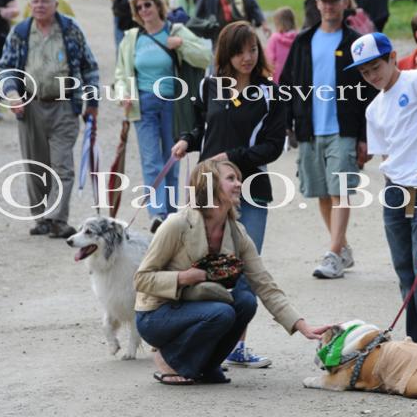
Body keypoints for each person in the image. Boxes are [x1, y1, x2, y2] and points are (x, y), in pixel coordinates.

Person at [134, 159, 327, 385]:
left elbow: (264, 284)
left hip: (199, 306)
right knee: (221, 312)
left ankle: (205, 365)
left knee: (245, 301)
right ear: (210, 185)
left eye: (238, 179)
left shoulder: (237, 232)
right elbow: (141, 279)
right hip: (156, 315)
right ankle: (169, 358)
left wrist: (302, 326)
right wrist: (183, 277)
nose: (239, 184)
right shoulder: (177, 224)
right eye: (231, 179)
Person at [173, 21, 286, 368]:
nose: (247, 57)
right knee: (202, 268)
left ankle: (237, 345)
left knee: (243, 268)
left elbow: (272, 147)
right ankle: (205, 342)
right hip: (207, 189)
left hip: (250, 191)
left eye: (253, 49)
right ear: (226, 53)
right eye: (239, 51)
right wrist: (187, 141)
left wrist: (231, 157)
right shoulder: (209, 86)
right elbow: (201, 126)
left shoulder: (272, 93)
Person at [346, 32, 417, 353]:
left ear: (393, 57)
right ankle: (416, 347)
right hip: (395, 192)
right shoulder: (374, 108)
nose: (372, 76)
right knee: (405, 273)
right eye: (364, 73)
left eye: (376, 67)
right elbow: (385, 155)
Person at [280, 0, 375, 279]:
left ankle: (333, 253)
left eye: (334, 0)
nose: (329, 5)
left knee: (341, 191)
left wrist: (365, 137)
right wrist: (285, 124)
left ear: (345, 3)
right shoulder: (303, 41)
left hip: (344, 128)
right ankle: (343, 248)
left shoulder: (356, 43)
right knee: (322, 192)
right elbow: (286, 84)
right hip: (310, 128)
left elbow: (369, 90)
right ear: (317, 4)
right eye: (324, 0)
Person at [0, 0, 100, 238]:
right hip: (30, 106)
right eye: (35, 1)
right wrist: (11, 93)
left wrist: (92, 102)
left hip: (64, 106)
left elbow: (90, 67)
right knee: (35, 166)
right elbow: (5, 67)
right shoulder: (20, 32)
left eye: (45, 1)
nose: (40, 5)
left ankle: (58, 219)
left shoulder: (70, 30)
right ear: (29, 5)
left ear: (56, 4)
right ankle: (41, 217)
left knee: (63, 166)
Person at [114, 0, 211, 231]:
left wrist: (180, 45)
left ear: (158, 5)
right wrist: (123, 94)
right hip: (143, 103)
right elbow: (121, 73)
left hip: (172, 105)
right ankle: (157, 212)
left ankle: (169, 213)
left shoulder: (176, 30)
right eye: (139, 7)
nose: (144, 10)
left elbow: (204, 57)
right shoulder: (131, 39)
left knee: (172, 158)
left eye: (148, 4)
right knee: (150, 159)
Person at [265, 6, 297, 83]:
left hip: (278, 77)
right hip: (294, 76)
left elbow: (269, 59)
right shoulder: (298, 38)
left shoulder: (275, 38)